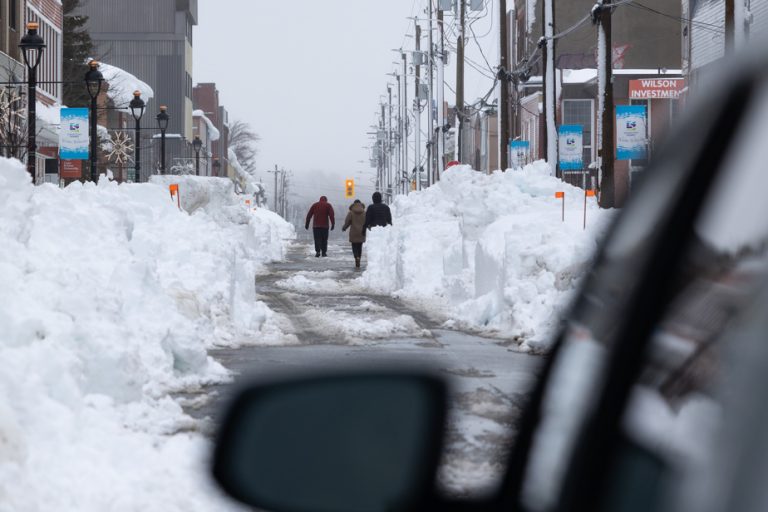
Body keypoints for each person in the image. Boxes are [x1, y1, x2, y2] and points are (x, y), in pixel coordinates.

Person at [341, 200, 366, 269]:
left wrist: (344, 228)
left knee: (354, 246)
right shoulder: (364, 213)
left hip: (353, 232)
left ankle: (356, 257)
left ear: (354, 204)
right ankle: (359, 259)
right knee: (359, 247)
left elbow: (347, 222)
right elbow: (367, 222)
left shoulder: (351, 213)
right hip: (362, 233)